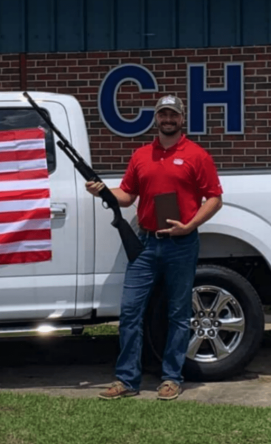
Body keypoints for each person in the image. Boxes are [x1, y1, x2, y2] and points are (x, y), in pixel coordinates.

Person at [88, 94, 223, 401]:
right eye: (163, 114)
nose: (168, 119)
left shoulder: (197, 155)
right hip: (146, 245)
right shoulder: (141, 156)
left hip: (182, 244)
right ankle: (126, 380)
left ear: (182, 119)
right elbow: (127, 196)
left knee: (177, 314)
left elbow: (215, 197)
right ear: (156, 118)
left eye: (173, 114)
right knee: (131, 311)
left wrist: (189, 226)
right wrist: (101, 190)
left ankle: (172, 378)